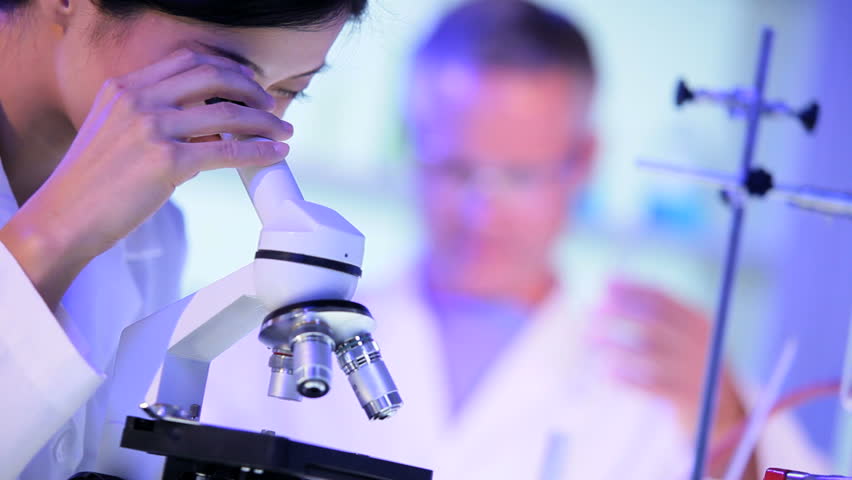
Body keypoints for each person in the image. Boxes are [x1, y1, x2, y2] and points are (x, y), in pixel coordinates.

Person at [203, 1, 828, 479]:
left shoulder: (677, 384)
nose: (481, 210)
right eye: (455, 167)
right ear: (411, 146)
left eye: (520, 175)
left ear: (582, 161)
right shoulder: (282, 334)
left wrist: (730, 427)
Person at [0, 0, 368, 477]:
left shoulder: (155, 232)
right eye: (215, 76)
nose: (245, 125)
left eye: (289, 89)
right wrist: (53, 236)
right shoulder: (91, 222)